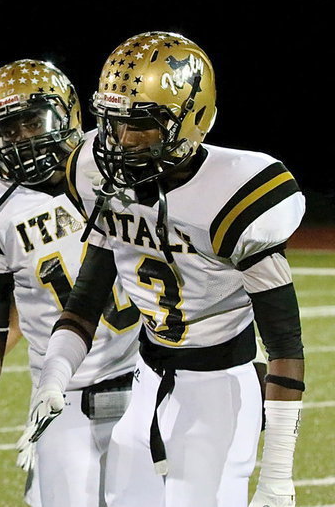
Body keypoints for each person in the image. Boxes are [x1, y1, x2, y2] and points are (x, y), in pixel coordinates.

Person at [33, 32, 305, 507]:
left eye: (139, 125)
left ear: (192, 120)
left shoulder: (237, 193)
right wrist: (55, 375)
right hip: (146, 375)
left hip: (218, 388)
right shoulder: (96, 173)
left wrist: (278, 472)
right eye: (112, 123)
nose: (118, 142)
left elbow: (284, 342)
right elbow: (85, 300)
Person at [0, 59, 140, 507]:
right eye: (8, 131)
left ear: (68, 114)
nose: (23, 140)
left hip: (152, 381)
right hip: (62, 396)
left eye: (33, 122)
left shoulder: (119, 165)